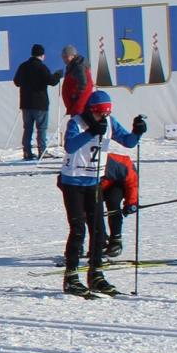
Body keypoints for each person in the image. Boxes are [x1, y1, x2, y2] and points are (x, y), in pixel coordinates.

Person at [58, 90, 144, 297]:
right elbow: (69, 146)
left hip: (94, 182)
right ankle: (71, 277)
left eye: (105, 114)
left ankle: (96, 275)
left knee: (98, 230)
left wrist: (138, 131)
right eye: (99, 114)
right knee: (78, 229)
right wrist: (90, 132)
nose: (102, 119)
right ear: (91, 110)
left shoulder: (109, 122)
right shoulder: (76, 123)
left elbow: (129, 142)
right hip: (72, 182)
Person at [12, 45, 62, 161]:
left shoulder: (23, 66)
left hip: (25, 103)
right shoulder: (41, 67)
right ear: (42, 55)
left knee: (28, 128)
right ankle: (42, 151)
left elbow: (16, 82)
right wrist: (58, 75)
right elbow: (52, 81)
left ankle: (27, 152)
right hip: (40, 104)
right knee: (41, 129)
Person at [99, 150, 140, 258]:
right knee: (90, 209)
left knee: (113, 202)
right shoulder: (78, 164)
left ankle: (115, 240)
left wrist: (131, 203)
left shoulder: (119, 164)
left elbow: (132, 182)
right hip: (95, 185)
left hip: (116, 183)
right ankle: (100, 239)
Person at [60, 46, 93, 116]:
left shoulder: (78, 66)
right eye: (63, 57)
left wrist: (76, 95)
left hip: (79, 105)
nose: (64, 59)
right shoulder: (74, 66)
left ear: (73, 56)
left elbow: (83, 82)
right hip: (76, 104)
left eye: (66, 57)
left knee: (78, 122)